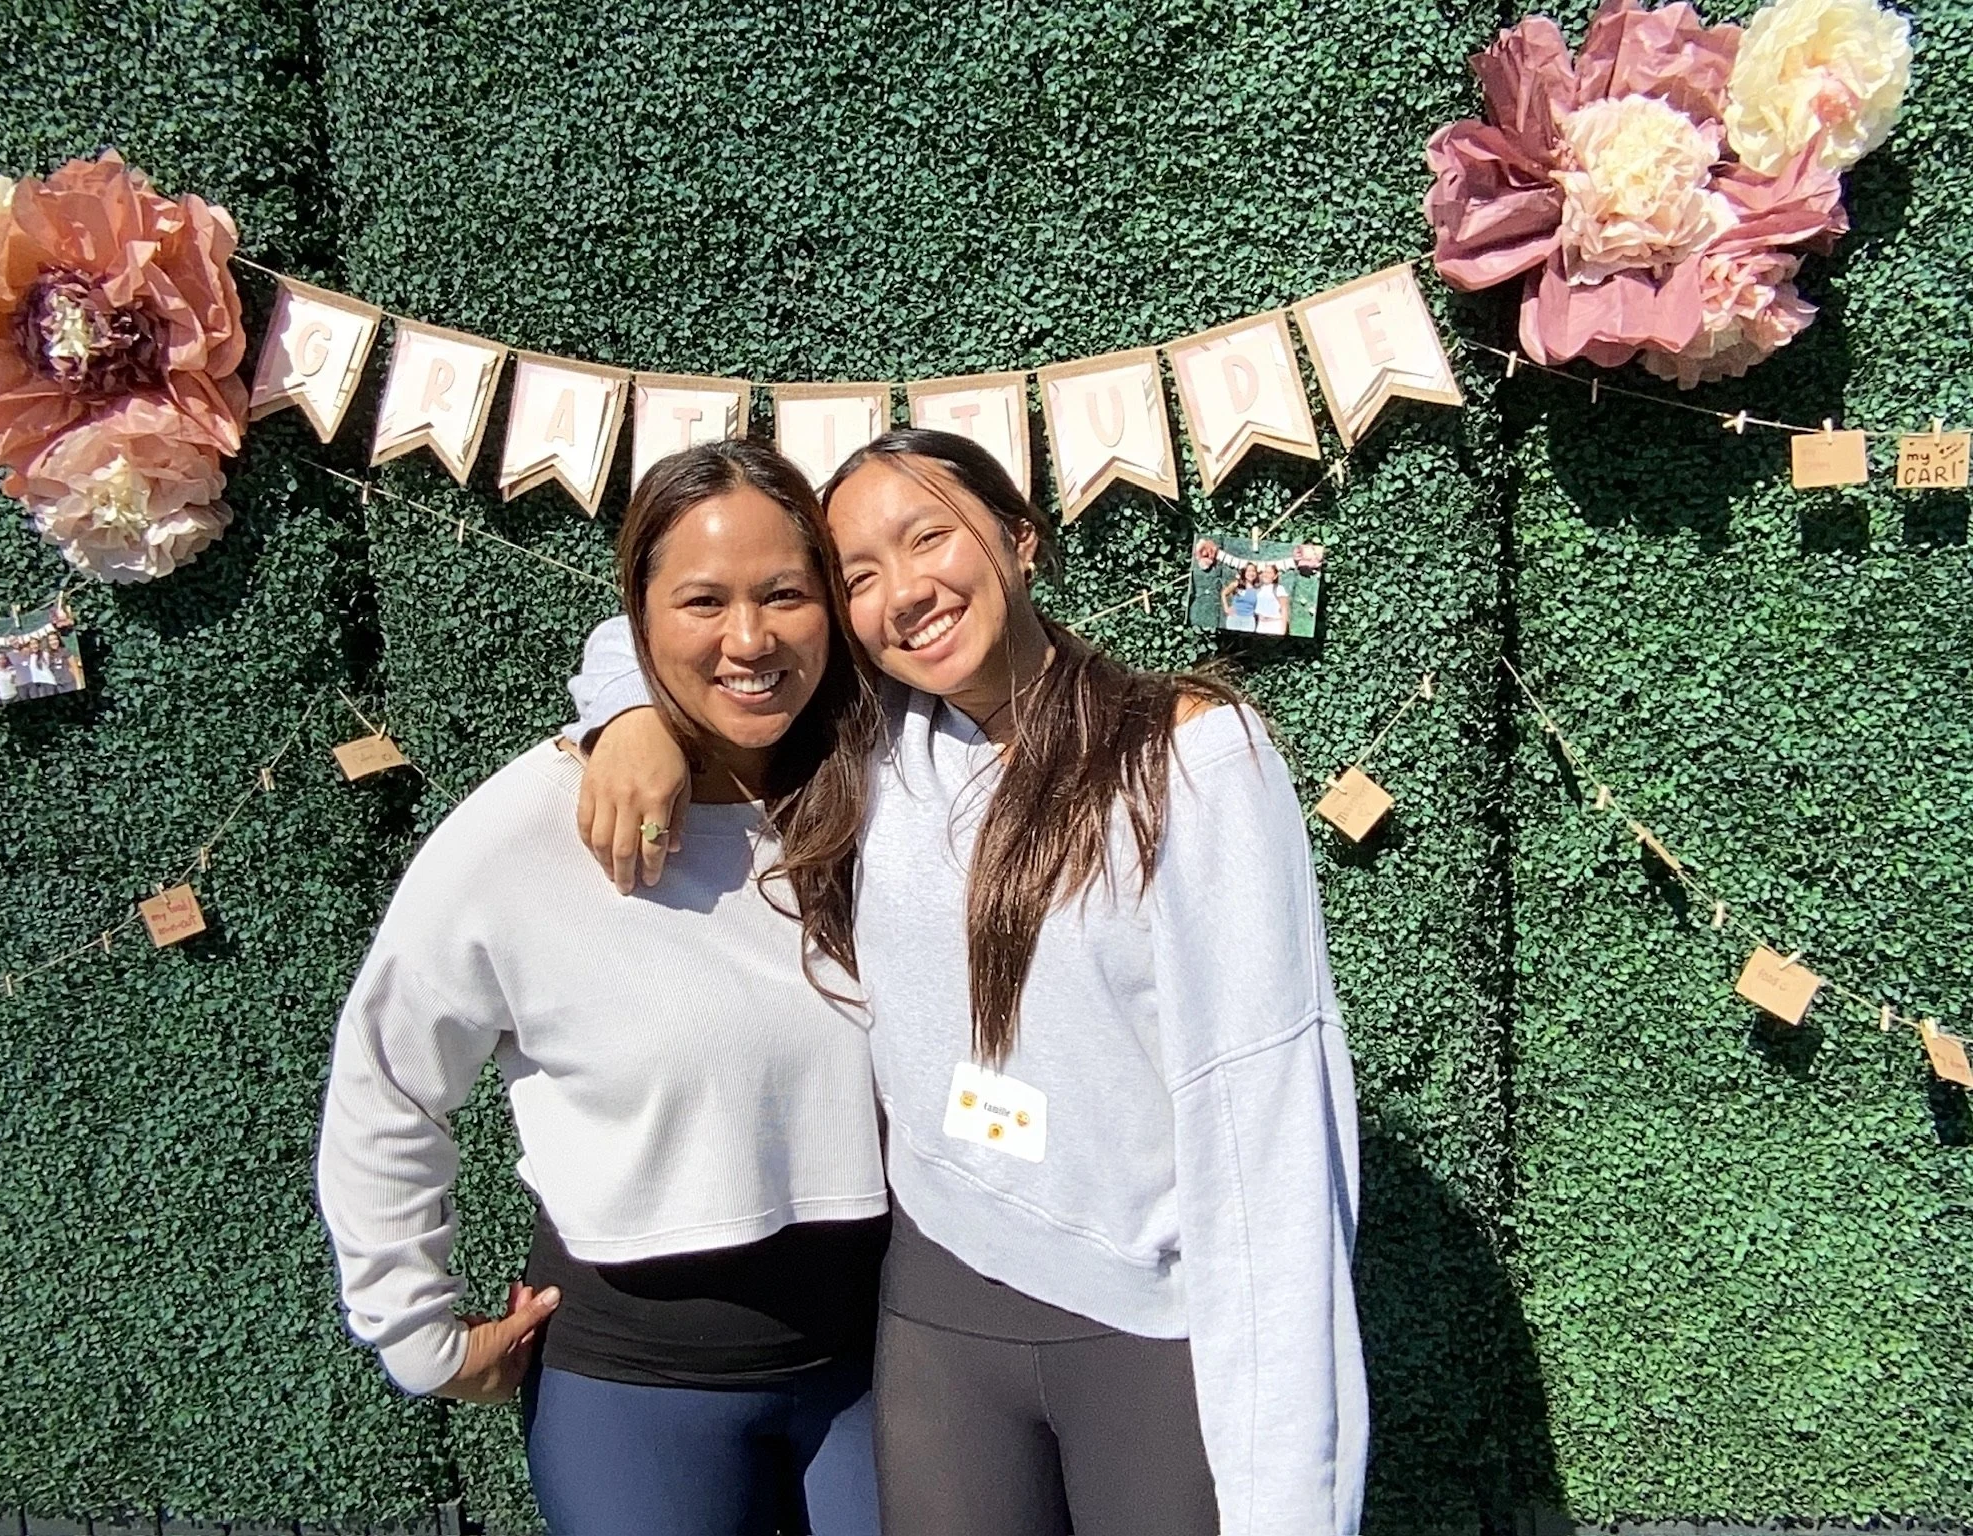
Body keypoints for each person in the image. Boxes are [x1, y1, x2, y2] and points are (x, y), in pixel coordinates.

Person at [569, 427, 1366, 1536]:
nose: (904, 591)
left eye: (927, 536)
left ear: (1019, 537)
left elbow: (1265, 1122)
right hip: (941, 1310)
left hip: (1146, 1322)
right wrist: (631, 720)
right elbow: (679, 623)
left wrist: (1294, 1500)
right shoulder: (872, 741)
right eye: (856, 574)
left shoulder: (1186, 757)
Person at [316, 440, 889, 1536]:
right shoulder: (527, 833)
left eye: (785, 594)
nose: (750, 639)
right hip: (637, 1397)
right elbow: (388, 1080)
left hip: (878, 1371)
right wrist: (415, 1332)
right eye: (701, 601)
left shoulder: (881, 794)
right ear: (636, 614)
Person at [1221, 560, 1261, 632]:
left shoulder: (1258, 589)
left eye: (1253, 571)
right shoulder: (1237, 584)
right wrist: (1226, 608)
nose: (1251, 573)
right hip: (1234, 619)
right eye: (1248, 571)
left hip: (1249, 620)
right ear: (1244, 573)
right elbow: (1224, 593)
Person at [1254, 561, 1290, 636]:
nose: (1266, 575)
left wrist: (1283, 630)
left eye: (1269, 573)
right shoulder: (1259, 589)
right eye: (1265, 572)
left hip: (1274, 625)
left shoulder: (1279, 589)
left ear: (1275, 576)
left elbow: (1284, 609)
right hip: (1261, 625)